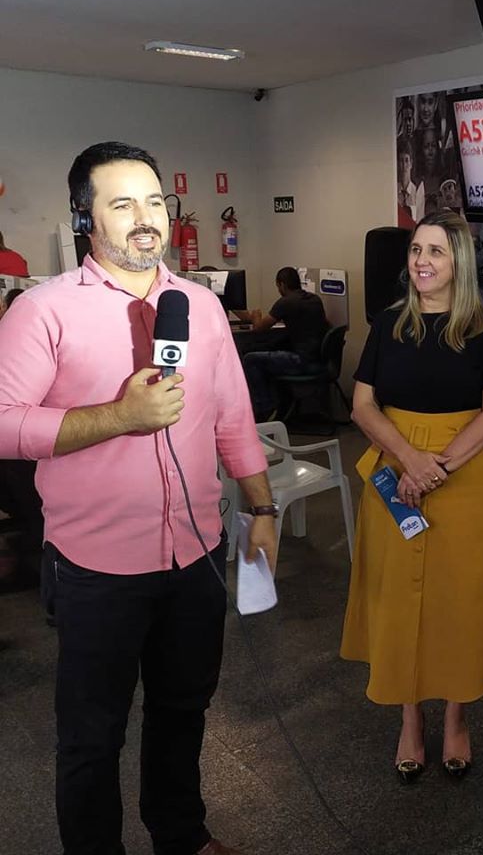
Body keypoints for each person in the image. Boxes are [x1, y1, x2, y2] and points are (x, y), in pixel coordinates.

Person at [0, 141, 278, 855]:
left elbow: (232, 415)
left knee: (183, 710)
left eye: (155, 201)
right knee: (91, 738)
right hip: (96, 570)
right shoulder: (41, 311)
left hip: (196, 553)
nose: (146, 217)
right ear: (84, 217)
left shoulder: (200, 306)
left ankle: (181, 835)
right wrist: (117, 418)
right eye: (122, 203)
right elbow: (3, 422)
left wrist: (262, 507)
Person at [341, 209, 483, 782]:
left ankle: (456, 717)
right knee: (397, 601)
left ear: (458, 263)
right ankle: (409, 719)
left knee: (461, 601)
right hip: (397, 471)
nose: (422, 262)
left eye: (436, 252)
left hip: (465, 475)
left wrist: (435, 467)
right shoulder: (389, 323)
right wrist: (409, 460)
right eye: (416, 250)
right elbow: (363, 405)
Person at [241, 266, 330, 421]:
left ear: (282, 284)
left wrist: (255, 315)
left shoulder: (286, 302)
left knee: (250, 359)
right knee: (268, 354)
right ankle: (281, 403)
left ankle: (265, 408)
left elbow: (259, 328)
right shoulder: (315, 299)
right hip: (319, 361)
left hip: (302, 362)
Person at [397, 138, 424, 226]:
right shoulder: (393, 192)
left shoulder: (417, 192)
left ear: (411, 163)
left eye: (406, 160)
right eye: (401, 160)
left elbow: (420, 219)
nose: (404, 165)